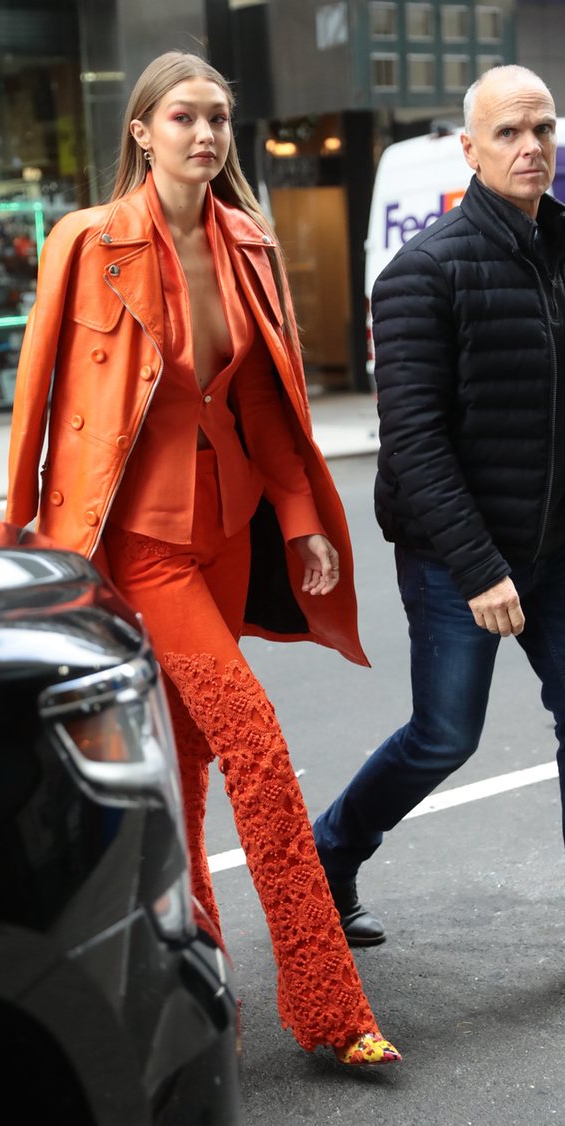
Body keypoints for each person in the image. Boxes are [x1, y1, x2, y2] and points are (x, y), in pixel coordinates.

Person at [5, 50, 400, 1065]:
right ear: (140, 131)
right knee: (259, 749)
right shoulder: (88, 243)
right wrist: (18, 543)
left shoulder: (248, 243)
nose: (206, 134)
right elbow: (37, 404)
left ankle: (198, 963)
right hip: (139, 544)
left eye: (219, 117)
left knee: (185, 764)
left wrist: (305, 514)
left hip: (225, 536)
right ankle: (328, 1000)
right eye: (184, 116)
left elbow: (268, 398)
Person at [313, 64, 565, 945]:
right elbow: (414, 444)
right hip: (459, 557)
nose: (529, 146)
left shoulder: (562, 253)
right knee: (445, 735)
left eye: (541, 128)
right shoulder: (422, 274)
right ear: (471, 149)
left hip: (553, 548)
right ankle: (330, 856)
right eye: (508, 132)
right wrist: (483, 568)